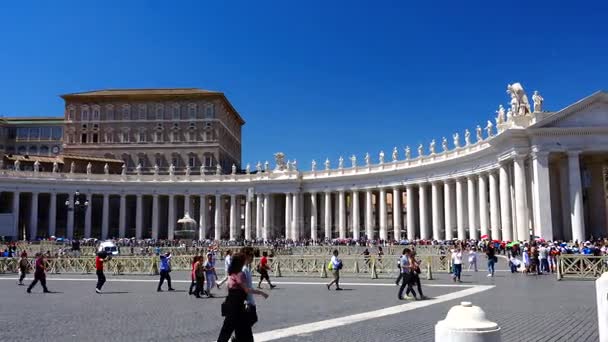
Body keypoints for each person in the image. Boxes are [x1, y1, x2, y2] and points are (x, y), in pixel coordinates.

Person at [217, 253, 268, 342]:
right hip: (237, 306)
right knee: (241, 330)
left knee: (228, 330)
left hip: (232, 304)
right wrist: (261, 293)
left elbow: (228, 288)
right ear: (240, 262)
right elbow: (247, 290)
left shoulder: (231, 273)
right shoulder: (239, 274)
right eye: (243, 260)